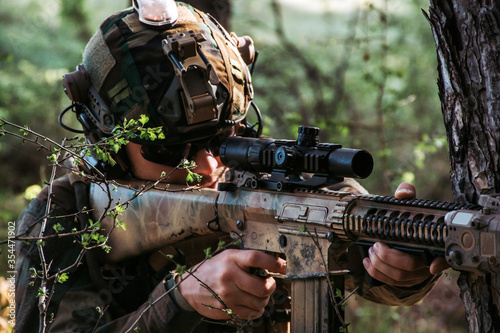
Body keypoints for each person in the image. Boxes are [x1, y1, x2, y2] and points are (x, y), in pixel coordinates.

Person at [14, 2, 448, 332]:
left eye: (220, 141)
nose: (205, 165)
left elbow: (376, 275)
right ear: (108, 144)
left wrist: (401, 263)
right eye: (168, 153)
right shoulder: (64, 217)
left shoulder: (270, 181)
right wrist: (178, 300)